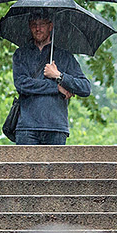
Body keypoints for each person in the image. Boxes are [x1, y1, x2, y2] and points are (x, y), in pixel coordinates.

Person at [12, 10, 91, 145]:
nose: (38, 28)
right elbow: (21, 84)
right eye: (34, 24)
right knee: (25, 167)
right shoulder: (21, 54)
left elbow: (85, 88)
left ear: (50, 26)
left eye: (42, 24)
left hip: (56, 127)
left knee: (55, 167)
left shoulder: (65, 56)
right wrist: (56, 87)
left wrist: (59, 76)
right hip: (27, 126)